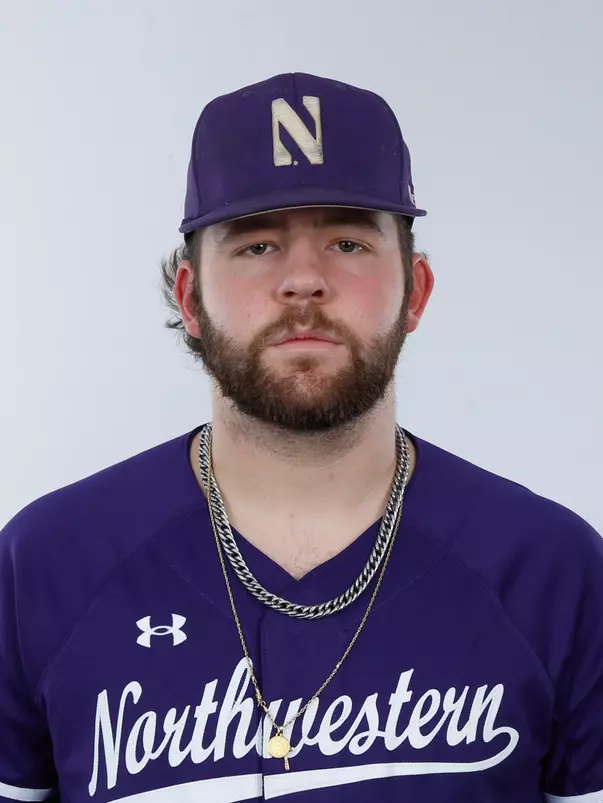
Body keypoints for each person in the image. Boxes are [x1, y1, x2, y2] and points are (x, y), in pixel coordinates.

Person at [0, 71, 601, 803]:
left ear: (415, 291)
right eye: (256, 245)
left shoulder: (553, 571)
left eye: (347, 241)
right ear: (191, 298)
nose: (304, 280)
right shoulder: (45, 565)